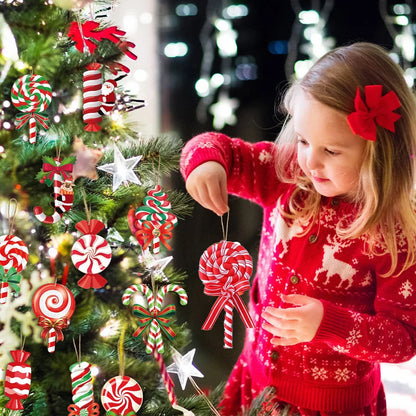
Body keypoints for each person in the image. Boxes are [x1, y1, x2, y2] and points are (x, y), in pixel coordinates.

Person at [179, 42, 416, 416]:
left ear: (378, 151)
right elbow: (219, 147)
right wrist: (207, 163)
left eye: (332, 151)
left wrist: (329, 324)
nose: (311, 161)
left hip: (332, 405)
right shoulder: (290, 175)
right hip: (257, 383)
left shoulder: (394, 234)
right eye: (304, 141)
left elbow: (403, 339)